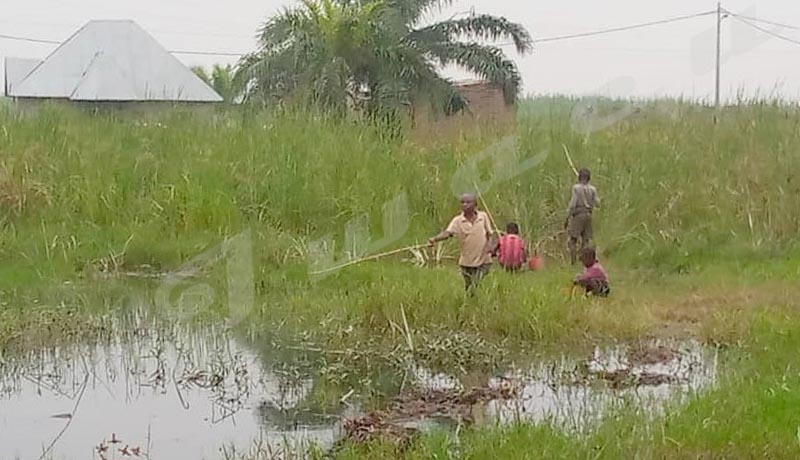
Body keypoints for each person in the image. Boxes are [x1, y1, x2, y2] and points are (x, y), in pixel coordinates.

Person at [429, 193, 496, 294]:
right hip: (466, 262)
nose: (465, 205)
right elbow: (447, 233)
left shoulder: (483, 217)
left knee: (475, 285)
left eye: (468, 202)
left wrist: (489, 246)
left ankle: (476, 303)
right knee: (468, 288)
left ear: (475, 205)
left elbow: (490, 234)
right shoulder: (458, 221)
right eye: (462, 202)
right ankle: (470, 305)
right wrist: (435, 239)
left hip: (483, 260)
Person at [565, 167, 600, 265]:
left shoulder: (576, 188)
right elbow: (597, 203)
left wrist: (567, 217)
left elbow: (573, 203)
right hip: (588, 215)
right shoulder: (593, 189)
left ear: (579, 177)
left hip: (578, 215)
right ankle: (585, 261)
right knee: (586, 240)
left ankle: (573, 261)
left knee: (573, 239)